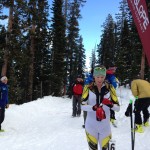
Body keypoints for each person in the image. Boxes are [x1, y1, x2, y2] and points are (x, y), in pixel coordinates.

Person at [81, 65, 120, 150]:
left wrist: (110, 104)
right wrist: (93, 108)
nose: (100, 79)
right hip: (91, 126)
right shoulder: (88, 88)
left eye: (102, 77)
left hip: (105, 127)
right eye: (97, 77)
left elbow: (118, 108)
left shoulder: (110, 88)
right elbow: (82, 106)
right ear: (94, 76)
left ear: (105, 76)